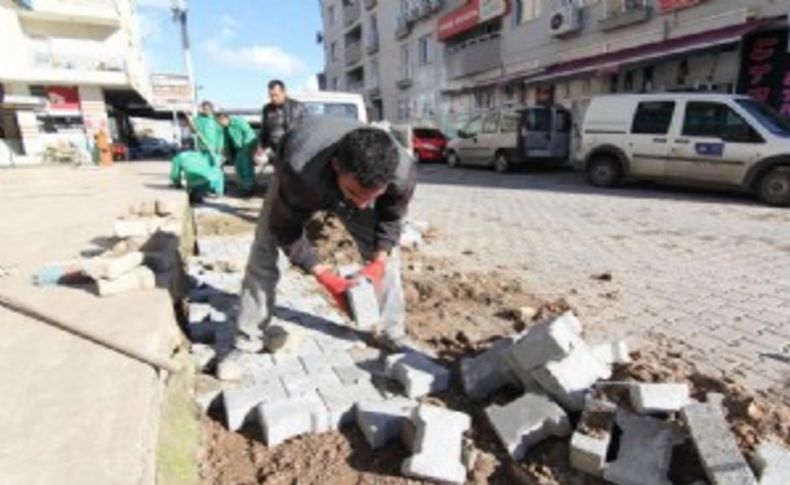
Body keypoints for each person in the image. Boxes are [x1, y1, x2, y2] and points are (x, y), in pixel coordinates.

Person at [217, 116, 417, 380]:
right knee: (265, 251)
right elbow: (285, 230)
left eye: (373, 196)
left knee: (387, 256)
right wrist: (324, 275)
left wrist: (378, 262)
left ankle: (392, 332)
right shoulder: (299, 170)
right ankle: (248, 338)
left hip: (349, 177)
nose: (360, 205)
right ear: (336, 166)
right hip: (302, 171)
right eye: (354, 193)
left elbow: (390, 221)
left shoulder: (402, 173)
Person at [258, 80, 306, 166]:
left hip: (294, 151)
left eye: (276, 95)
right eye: (270, 96)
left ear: (284, 92)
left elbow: (306, 130)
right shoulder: (266, 109)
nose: (273, 98)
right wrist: (261, 146)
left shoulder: (298, 107)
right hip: (276, 152)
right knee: (280, 177)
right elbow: (264, 130)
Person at [217, 112, 258, 195]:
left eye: (220, 121)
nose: (220, 124)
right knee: (239, 167)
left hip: (247, 144)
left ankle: (249, 188)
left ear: (225, 118)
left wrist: (246, 147)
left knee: (245, 166)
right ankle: (243, 186)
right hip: (239, 147)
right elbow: (226, 141)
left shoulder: (238, 121)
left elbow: (248, 133)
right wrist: (227, 152)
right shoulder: (226, 127)